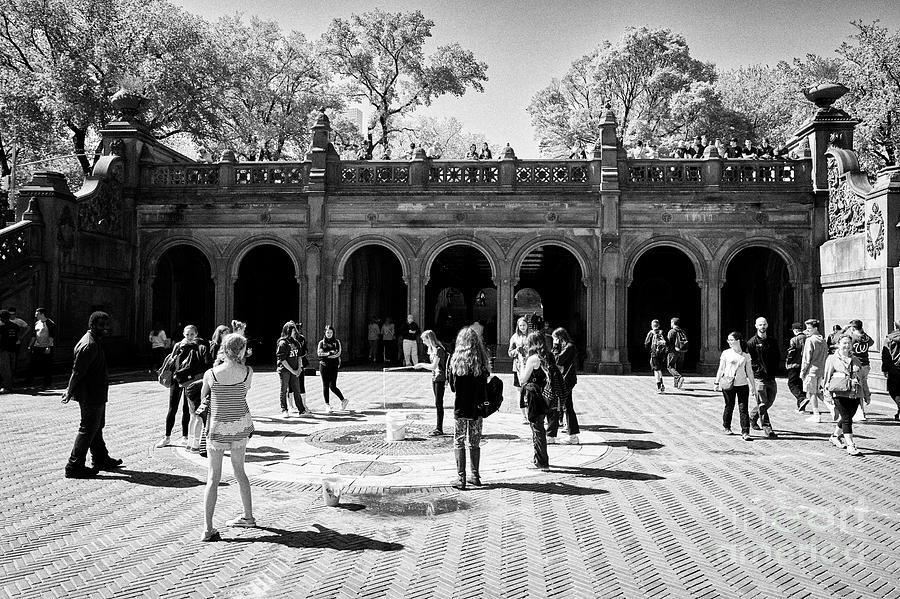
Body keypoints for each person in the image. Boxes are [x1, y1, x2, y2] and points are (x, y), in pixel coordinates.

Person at [196, 333, 256, 541]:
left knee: (213, 477)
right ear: (241, 350)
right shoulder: (247, 372)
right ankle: (248, 516)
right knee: (240, 472)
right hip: (240, 425)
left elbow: (204, 396)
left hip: (217, 427)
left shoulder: (211, 374)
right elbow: (244, 392)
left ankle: (208, 528)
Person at [62, 311, 122, 478]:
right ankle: (74, 465)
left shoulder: (94, 341)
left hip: (96, 392)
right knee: (87, 428)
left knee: (96, 427)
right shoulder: (90, 344)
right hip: (91, 394)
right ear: (92, 325)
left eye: (107, 325)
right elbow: (77, 371)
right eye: (101, 325)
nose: (106, 328)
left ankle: (101, 458)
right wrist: (69, 390)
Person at [447, 326, 489, 489]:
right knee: (474, 442)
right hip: (477, 408)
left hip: (461, 407)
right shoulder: (481, 360)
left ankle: (461, 478)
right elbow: (484, 383)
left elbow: (452, 387)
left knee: (459, 440)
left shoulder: (456, 360)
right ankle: (475, 476)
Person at [156, 325, 210, 448]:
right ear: (183, 334)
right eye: (187, 334)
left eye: (192, 334)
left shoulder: (199, 346)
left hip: (190, 380)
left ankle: (185, 436)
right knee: (172, 407)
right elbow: (172, 361)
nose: (189, 337)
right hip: (177, 378)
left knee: (187, 409)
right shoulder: (178, 345)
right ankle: (167, 436)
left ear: (196, 334)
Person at [823, 335, 863, 456]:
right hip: (839, 393)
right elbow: (827, 378)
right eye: (844, 343)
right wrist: (827, 395)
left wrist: (866, 394)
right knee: (846, 418)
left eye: (849, 343)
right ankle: (851, 445)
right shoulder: (832, 359)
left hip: (854, 393)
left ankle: (835, 436)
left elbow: (863, 379)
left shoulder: (856, 360)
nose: (846, 345)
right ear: (838, 344)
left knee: (848, 417)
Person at [714, 331, 758, 441]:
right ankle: (726, 426)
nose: (729, 342)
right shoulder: (726, 353)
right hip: (728, 383)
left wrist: (753, 386)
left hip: (742, 384)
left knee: (743, 408)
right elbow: (721, 368)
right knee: (729, 405)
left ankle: (745, 431)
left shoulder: (745, 355)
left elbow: (749, 372)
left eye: (732, 340)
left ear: (738, 341)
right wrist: (716, 382)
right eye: (728, 340)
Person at [518, 330, 553, 470]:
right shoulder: (548, 356)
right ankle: (539, 458)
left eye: (528, 343)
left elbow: (522, 379)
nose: (527, 346)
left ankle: (542, 462)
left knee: (537, 429)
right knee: (540, 427)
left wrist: (522, 362)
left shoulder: (533, 359)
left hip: (535, 396)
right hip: (546, 396)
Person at [747, 317, 780, 438]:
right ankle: (767, 427)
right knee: (762, 403)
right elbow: (750, 360)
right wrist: (756, 371)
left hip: (771, 377)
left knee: (769, 401)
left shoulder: (772, 341)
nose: (762, 327)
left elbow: (777, 356)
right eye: (760, 325)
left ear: (767, 325)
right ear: (756, 326)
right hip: (759, 377)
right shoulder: (751, 343)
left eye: (764, 324)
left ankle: (752, 416)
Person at [415, 330, 448, 436]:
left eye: (424, 340)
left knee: (439, 403)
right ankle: (438, 427)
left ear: (429, 339)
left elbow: (434, 366)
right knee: (437, 403)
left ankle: (439, 428)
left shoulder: (439, 350)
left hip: (440, 378)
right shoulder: (432, 350)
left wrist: (421, 365)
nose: (423, 342)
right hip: (435, 378)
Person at [549, 327, 580, 445]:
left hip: (567, 380)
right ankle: (572, 435)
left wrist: (555, 347)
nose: (554, 341)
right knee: (567, 406)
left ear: (559, 337)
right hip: (565, 379)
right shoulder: (566, 346)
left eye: (555, 339)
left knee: (561, 405)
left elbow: (557, 360)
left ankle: (560, 435)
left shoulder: (569, 347)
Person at [799, 319, 830, 423]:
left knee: (812, 393)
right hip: (820, 370)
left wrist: (803, 372)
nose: (807, 331)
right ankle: (832, 407)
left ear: (815, 328)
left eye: (809, 328)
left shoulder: (810, 340)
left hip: (811, 370)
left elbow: (806, 359)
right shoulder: (823, 340)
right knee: (817, 392)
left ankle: (816, 414)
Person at [845, 319, 874, 421]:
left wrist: (845, 330)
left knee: (858, 388)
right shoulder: (866, 337)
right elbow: (872, 342)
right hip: (866, 364)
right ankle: (867, 398)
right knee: (864, 383)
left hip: (856, 365)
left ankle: (860, 412)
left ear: (852, 328)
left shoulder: (852, 338)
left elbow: (842, 341)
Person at [276, 321, 304, 418]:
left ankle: (301, 410)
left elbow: (299, 356)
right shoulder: (282, 343)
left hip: (295, 369)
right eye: (293, 330)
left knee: (297, 389)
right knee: (284, 389)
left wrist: (299, 368)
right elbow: (282, 360)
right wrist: (293, 371)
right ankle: (284, 409)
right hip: (284, 370)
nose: (295, 332)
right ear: (288, 331)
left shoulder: (296, 343)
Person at [317, 325, 348, 413]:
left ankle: (343, 400)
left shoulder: (337, 342)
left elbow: (338, 353)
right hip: (323, 366)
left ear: (333, 333)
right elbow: (319, 354)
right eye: (327, 332)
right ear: (325, 333)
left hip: (334, 366)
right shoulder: (321, 343)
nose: (329, 334)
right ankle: (327, 405)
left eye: (331, 332)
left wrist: (326, 354)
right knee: (325, 385)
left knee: (332, 386)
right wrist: (330, 353)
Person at [26, 307, 56, 389]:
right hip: (37, 346)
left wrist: (48, 346)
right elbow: (34, 335)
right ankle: (29, 382)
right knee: (32, 364)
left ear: (42, 314)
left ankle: (47, 383)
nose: (35, 315)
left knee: (47, 366)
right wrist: (30, 345)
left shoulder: (50, 323)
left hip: (46, 347)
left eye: (37, 314)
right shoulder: (37, 323)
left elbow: (51, 336)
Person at [508, 316, 530, 422]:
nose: (522, 327)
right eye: (520, 325)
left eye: (524, 325)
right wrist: (516, 350)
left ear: (527, 325)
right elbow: (510, 353)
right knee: (520, 391)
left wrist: (528, 350)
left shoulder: (531, 336)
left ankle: (531, 413)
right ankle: (523, 415)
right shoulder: (514, 337)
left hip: (530, 365)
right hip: (518, 367)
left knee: (530, 390)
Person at [785, 322, 808, 411]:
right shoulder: (807, 338)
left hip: (794, 365)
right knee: (800, 384)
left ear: (795, 330)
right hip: (804, 365)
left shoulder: (794, 339)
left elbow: (791, 353)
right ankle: (801, 407)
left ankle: (801, 398)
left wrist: (787, 362)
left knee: (792, 383)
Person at [880, 320, 900, 421]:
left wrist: (885, 369)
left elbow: (885, 355)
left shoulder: (889, 338)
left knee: (893, 391)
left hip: (894, 369)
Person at [644, 319, 668, 394]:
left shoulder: (651, 333)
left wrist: (650, 350)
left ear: (652, 326)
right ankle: (661, 383)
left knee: (656, 369)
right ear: (659, 325)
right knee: (659, 369)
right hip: (662, 354)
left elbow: (646, 344)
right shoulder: (662, 332)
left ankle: (659, 385)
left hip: (654, 353)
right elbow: (667, 342)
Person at [0, 310, 20, 393]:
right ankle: (10, 385)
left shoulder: (1, 327)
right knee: (11, 368)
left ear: (2, 318)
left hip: (4, 350)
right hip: (13, 349)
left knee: (5, 369)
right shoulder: (15, 326)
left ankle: (7, 387)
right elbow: (17, 337)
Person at [666, 317, 688, 390]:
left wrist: (666, 350)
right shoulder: (682, 331)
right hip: (682, 352)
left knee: (670, 366)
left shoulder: (672, 331)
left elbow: (668, 342)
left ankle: (679, 378)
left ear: (673, 323)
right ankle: (676, 385)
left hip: (673, 352)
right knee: (679, 368)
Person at [7, 307, 29, 375]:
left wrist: (22, 337)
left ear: (15, 314)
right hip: (7, 343)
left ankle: (13, 375)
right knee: (7, 359)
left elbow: (28, 327)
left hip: (16, 343)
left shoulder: (19, 321)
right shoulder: (5, 320)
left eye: (13, 314)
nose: (11, 316)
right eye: (10, 314)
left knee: (15, 360)